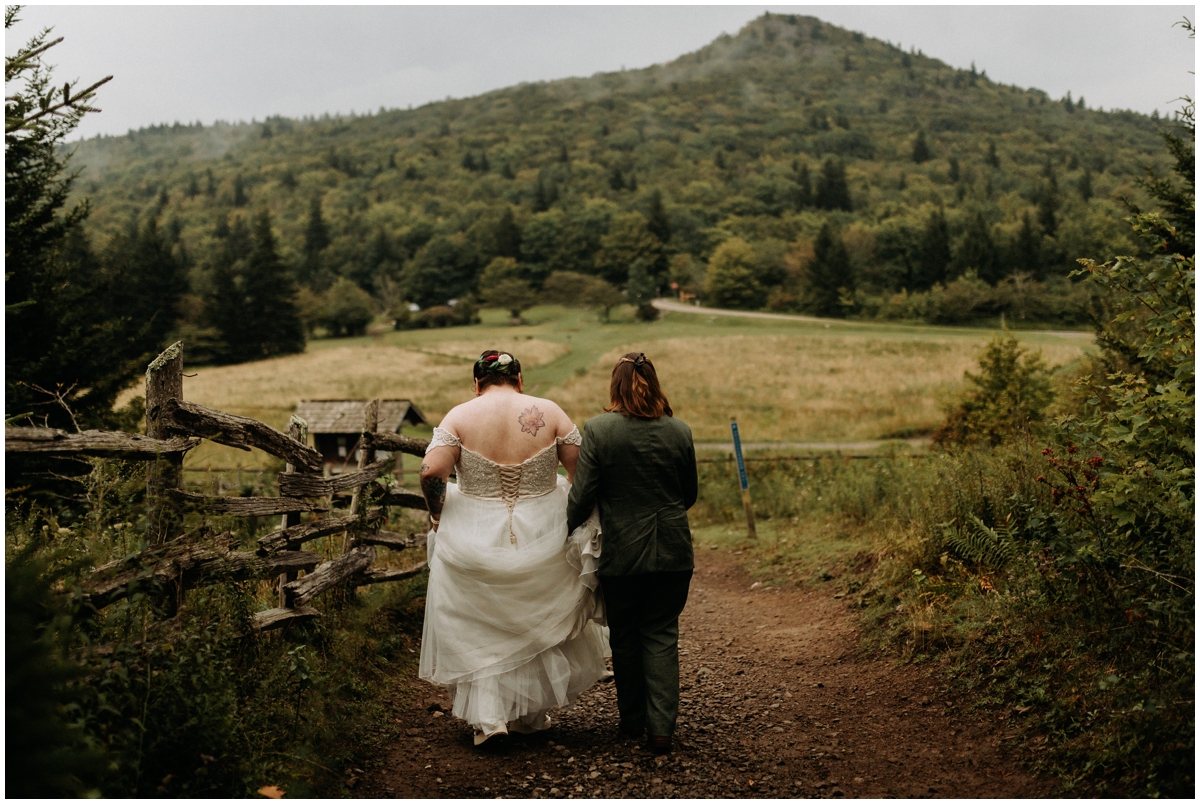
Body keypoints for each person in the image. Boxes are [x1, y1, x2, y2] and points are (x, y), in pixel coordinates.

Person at [417, 349, 607, 747]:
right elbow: (582, 474)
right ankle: (528, 717)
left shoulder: (459, 416)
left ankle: (490, 722)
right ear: (520, 379)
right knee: (532, 619)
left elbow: (432, 471)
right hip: (544, 530)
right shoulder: (550, 411)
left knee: (479, 623)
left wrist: (437, 516)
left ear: (477, 383)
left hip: (474, 529)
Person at [567, 352, 697, 755]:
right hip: (673, 548)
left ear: (615, 386)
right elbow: (688, 494)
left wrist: (565, 528)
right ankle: (661, 731)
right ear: (654, 383)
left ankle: (631, 721)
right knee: (661, 633)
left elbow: (582, 494)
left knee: (623, 635)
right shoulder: (680, 430)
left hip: (621, 551)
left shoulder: (600, 430)